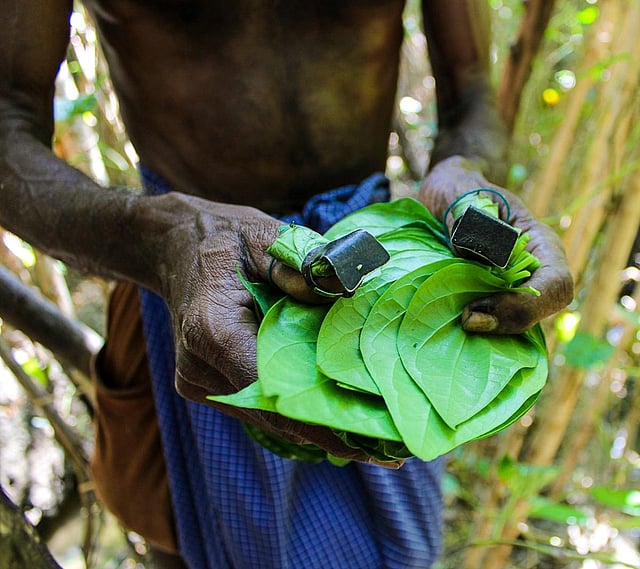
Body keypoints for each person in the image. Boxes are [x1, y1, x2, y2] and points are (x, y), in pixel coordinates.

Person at [0, 1, 573, 568]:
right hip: (187, 277)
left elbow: (471, 88)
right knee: (186, 544)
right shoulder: (168, 248)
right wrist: (159, 240)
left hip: (378, 279)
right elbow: (7, 124)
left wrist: (465, 171)